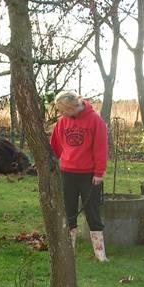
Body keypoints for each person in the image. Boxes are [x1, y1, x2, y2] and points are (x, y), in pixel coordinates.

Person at [50, 90, 109, 262]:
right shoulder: (62, 122)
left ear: (73, 106)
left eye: (64, 111)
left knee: (92, 213)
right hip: (67, 173)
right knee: (69, 213)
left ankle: (100, 254)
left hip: (90, 175)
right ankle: (70, 252)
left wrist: (99, 173)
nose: (62, 114)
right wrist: (53, 163)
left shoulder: (95, 121)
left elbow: (100, 148)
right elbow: (55, 146)